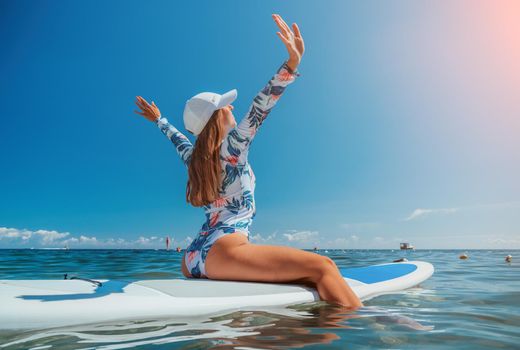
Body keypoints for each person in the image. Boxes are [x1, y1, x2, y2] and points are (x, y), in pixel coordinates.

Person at [134, 14, 362, 309]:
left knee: (304, 276)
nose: (230, 106)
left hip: (192, 257)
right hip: (225, 251)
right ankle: (379, 328)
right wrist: (291, 65)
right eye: (224, 105)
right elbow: (260, 105)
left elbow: (175, 137)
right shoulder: (233, 147)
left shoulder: (194, 160)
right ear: (216, 117)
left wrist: (159, 119)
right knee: (324, 268)